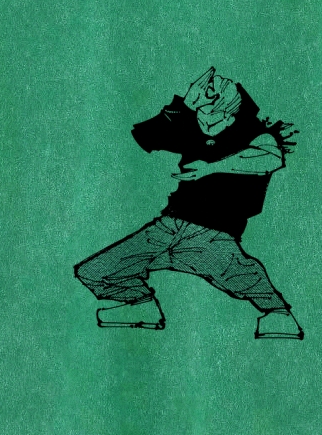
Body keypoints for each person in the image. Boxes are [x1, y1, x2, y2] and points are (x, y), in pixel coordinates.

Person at [74, 67, 303, 339]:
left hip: (212, 231)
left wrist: (210, 168)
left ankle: (279, 314)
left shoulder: (249, 130)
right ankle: (140, 306)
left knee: (240, 276)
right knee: (93, 271)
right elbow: (145, 137)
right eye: (205, 89)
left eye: (214, 90)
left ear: (228, 106)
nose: (208, 88)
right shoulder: (191, 124)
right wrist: (184, 104)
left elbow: (270, 158)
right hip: (169, 225)